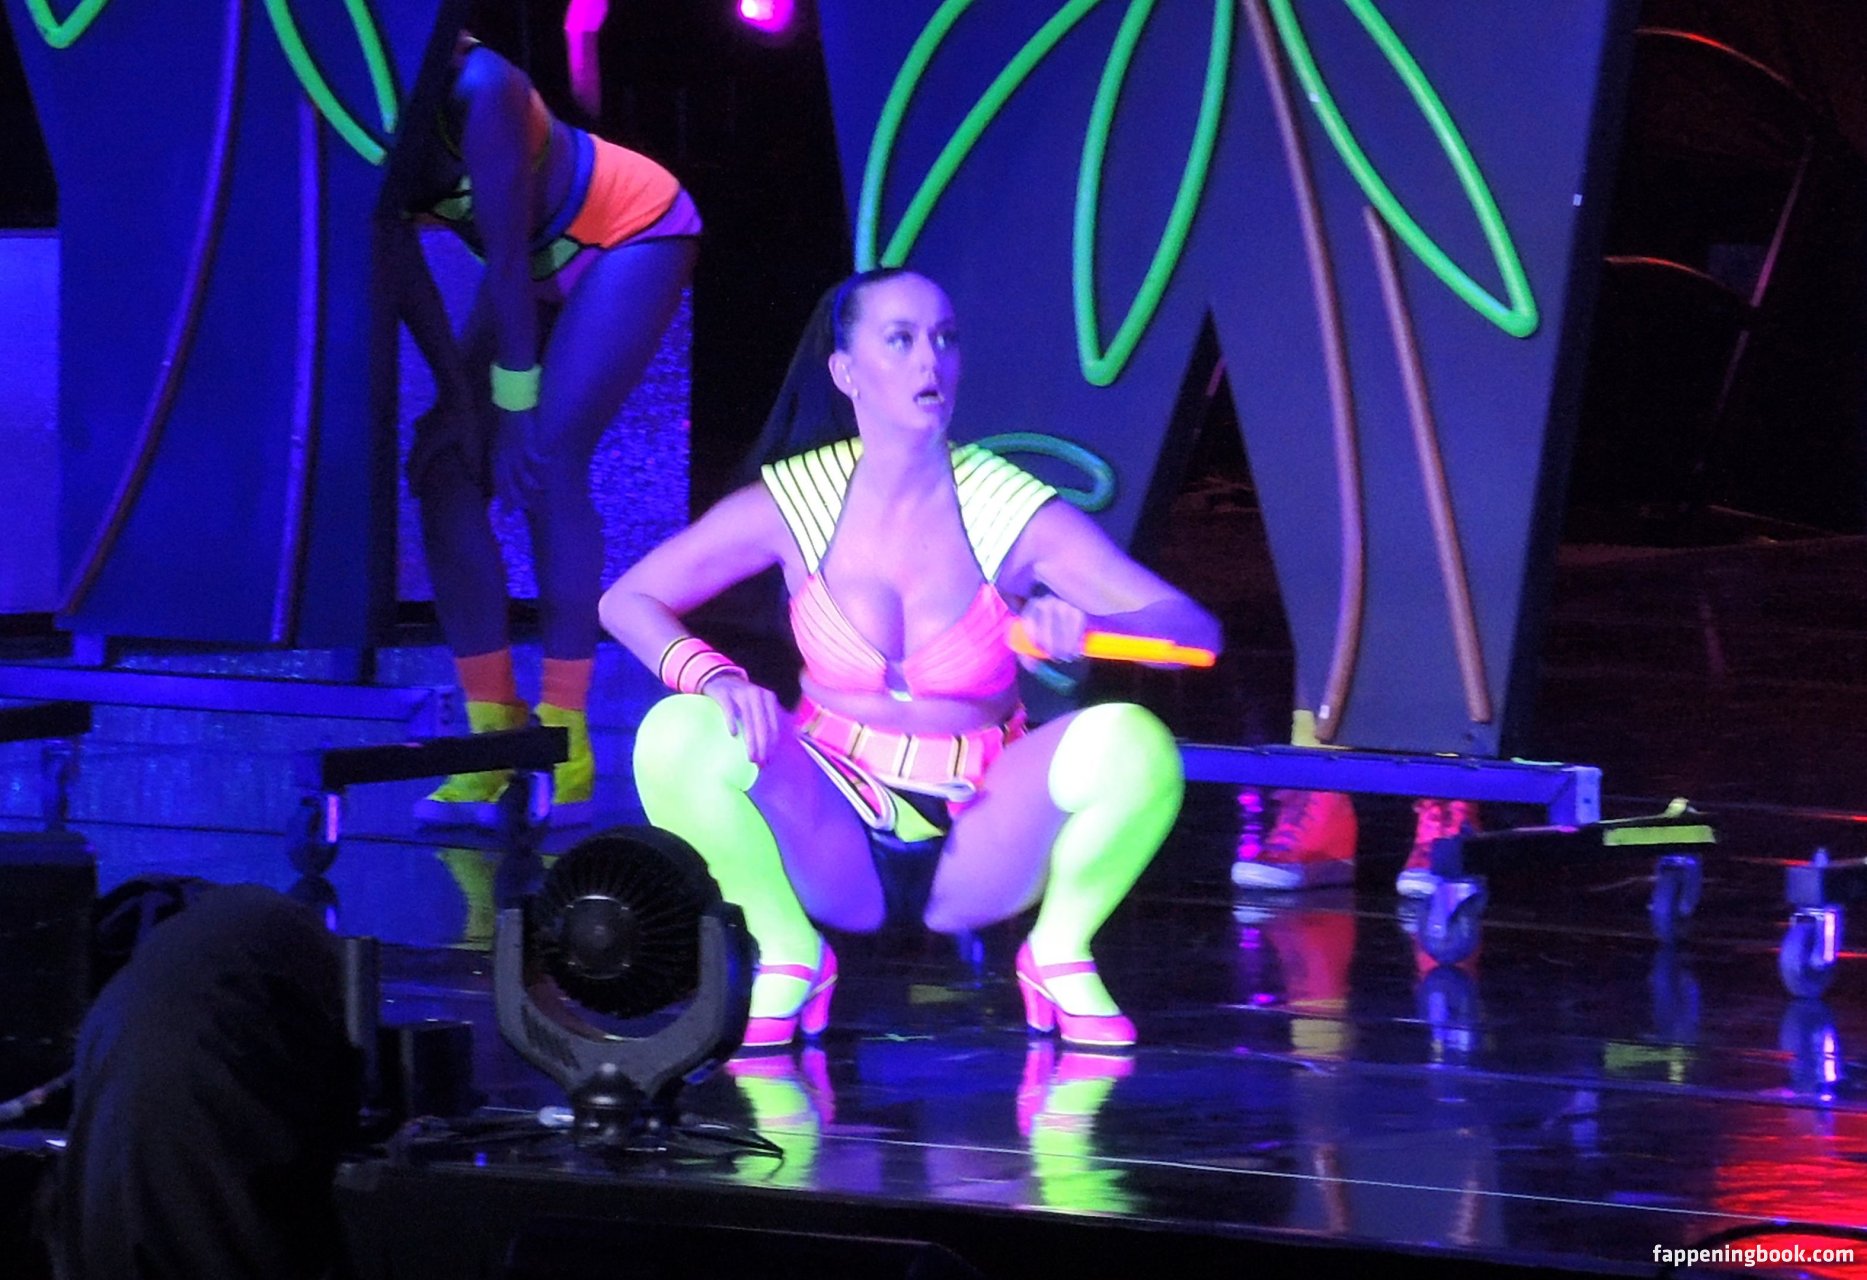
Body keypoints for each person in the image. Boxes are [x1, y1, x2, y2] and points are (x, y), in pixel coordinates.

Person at [599, 268, 1222, 1049]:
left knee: (1134, 743)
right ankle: (788, 951)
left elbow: (1192, 631)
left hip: (978, 833)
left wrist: (1087, 626)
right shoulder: (793, 502)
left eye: (944, 339)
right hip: (831, 823)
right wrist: (716, 676)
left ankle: (1058, 951)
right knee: (676, 732)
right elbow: (627, 600)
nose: (930, 360)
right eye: (899, 340)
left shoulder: (1009, 509)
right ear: (845, 370)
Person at [387, 14, 700, 827]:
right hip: (525, 269)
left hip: (627, 231)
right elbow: (401, 266)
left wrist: (515, 410)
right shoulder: (359, 105)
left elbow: (504, 250)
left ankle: (564, 741)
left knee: (547, 460)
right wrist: (456, 398)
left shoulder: (482, 86)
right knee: (444, 468)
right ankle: (492, 741)